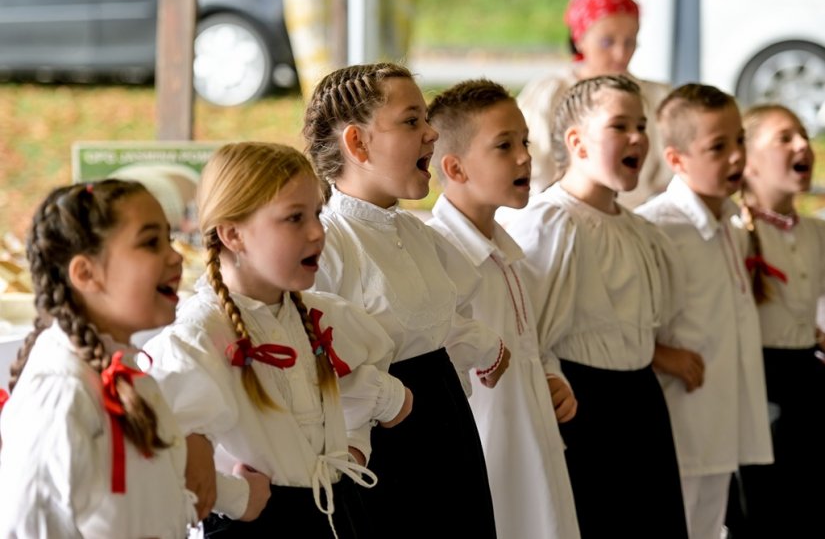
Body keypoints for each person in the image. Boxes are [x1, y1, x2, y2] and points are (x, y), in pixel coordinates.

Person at [143, 141, 412, 538]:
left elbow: (363, 384)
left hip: (335, 512)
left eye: (317, 213)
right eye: (294, 218)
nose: (317, 231)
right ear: (233, 234)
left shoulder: (321, 315)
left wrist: (352, 446)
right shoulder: (199, 337)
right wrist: (236, 497)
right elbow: (162, 457)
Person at [303, 62, 509, 539]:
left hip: (448, 426)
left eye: (426, 120)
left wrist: (483, 345)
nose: (431, 133)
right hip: (386, 447)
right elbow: (324, 363)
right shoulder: (329, 246)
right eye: (412, 121)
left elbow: (439, 317)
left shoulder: (418, 235)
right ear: (358, 143)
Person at [506, 74, 688, 539]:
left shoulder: (640, 231)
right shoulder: (552, 223)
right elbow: (530, 334)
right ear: (577, 142)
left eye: (642, 125)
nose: (637, 137)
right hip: (584, 406)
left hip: (641, 401)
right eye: (619, 125)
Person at [426, 78, 581, 539]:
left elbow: (529, 344)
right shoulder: (440, 257)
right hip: (489, 460)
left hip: (535, 449)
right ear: (455, 167)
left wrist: (552, 376)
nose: (524, 158)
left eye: (525, 142)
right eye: (503, 145)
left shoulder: (507, 252)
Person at [0, 179, 198, 537]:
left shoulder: (124, 368)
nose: (175, 256)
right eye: (151, 243)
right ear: (86, 274)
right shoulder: (61, 394)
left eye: (169, 239)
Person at [636, 84, 773, 539]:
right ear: (676, 159)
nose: (736, 156)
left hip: (723, 417)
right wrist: (662, 354)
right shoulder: (658, 228)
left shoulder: (730, 222)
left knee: (712, 526)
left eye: (740, 141)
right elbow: (630, 320)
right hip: (683, 421)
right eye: (718, 147)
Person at [730, 104, 825, 538]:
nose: (802, 144)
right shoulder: (734, 232)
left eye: (803, 134)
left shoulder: (816, 232)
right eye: (784, 138)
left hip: (807, 378)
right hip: (759, 385)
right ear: (747, 161)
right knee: (766, 508)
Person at [517, 0, 671, 208]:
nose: (621, 54)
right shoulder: (549, 95)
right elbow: (531, 168)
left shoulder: (657, 98)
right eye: (607, 42)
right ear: (580, 39)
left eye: (630, 42)